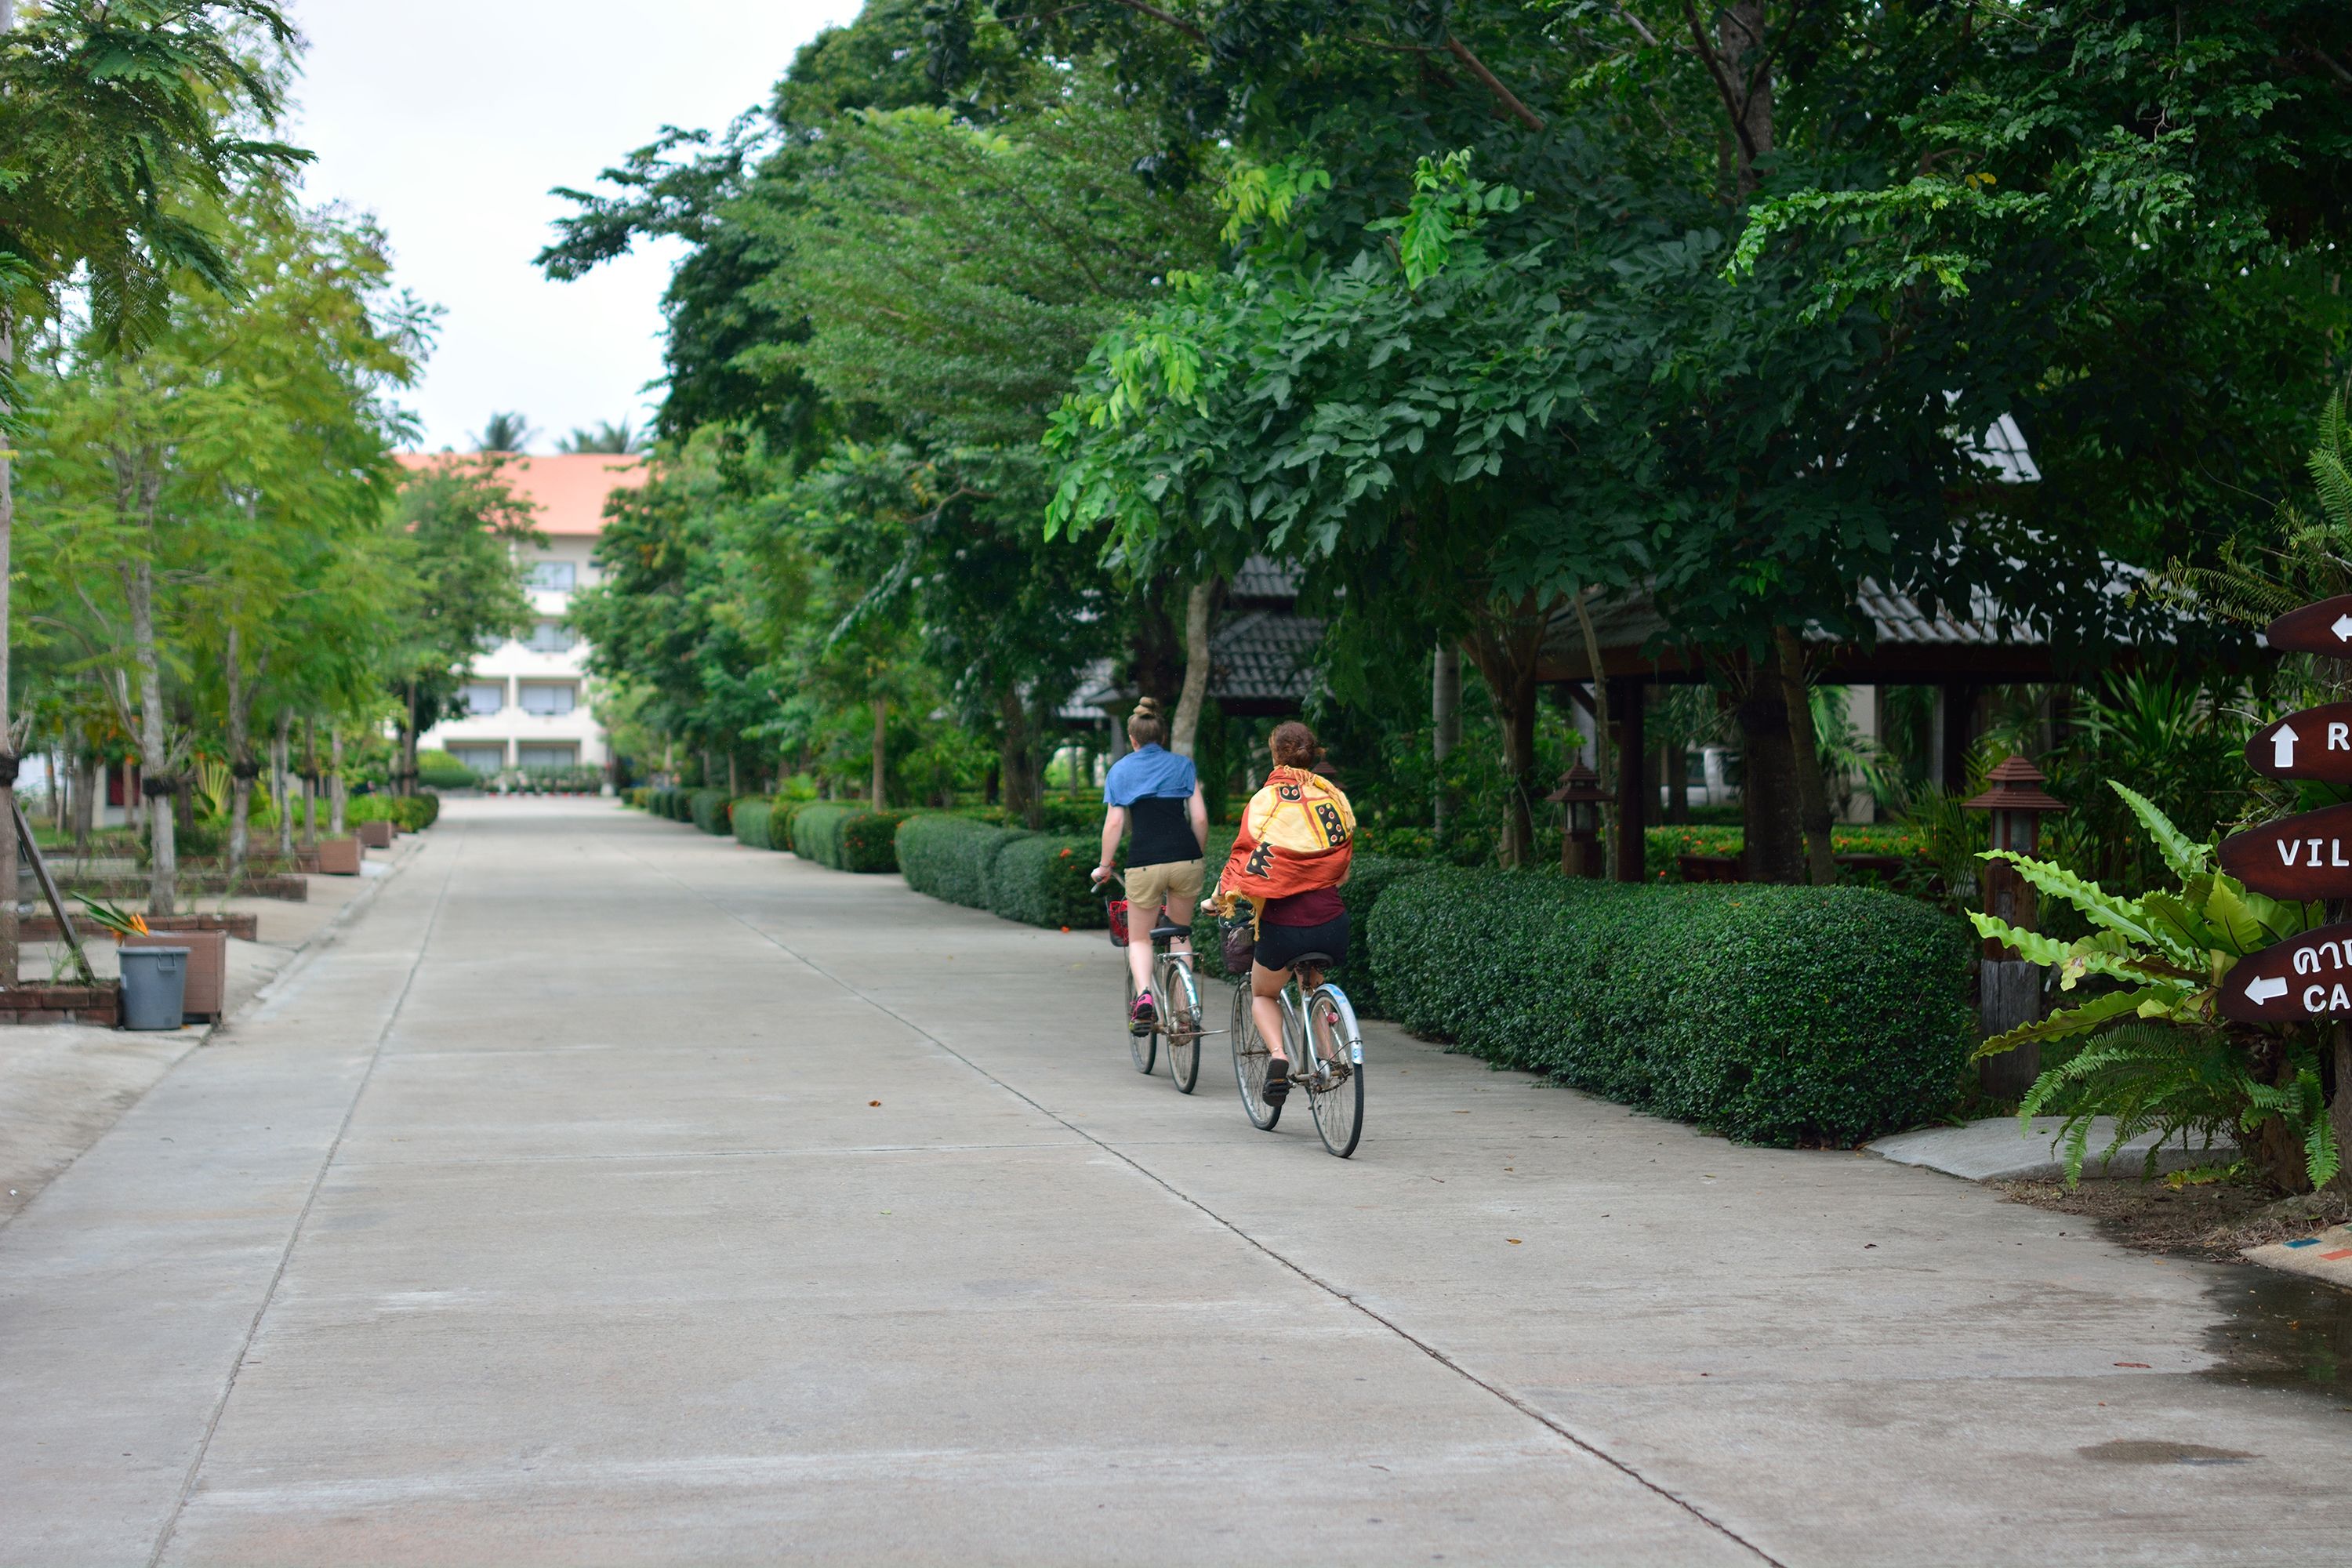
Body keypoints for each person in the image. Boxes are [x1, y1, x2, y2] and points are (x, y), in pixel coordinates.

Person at [1211, 721, 1354, 1105]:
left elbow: (1246, 857)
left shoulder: (1266, 802)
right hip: (1333, 922)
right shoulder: (1333, 800)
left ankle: (1279, 1056)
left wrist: (1218, 898)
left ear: (1275, 754)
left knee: (1263, 993)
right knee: (1311, 980)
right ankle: (1328, 1058)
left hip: (1284, 926)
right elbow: (1340, 865)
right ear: (1314, 754)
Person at [1090, 698, 1208, 1030]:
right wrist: (1195, 854)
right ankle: (1185, 1012)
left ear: (1133, 738)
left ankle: (1144, 997)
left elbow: (1114, 824)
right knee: (1180, 934)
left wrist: (1104, 865)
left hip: (1144, 863)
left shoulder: (1121, 770)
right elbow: (1199, 817)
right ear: (1163, 736)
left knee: (1140, 938)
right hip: (1185, 857)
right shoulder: (1183, 765)